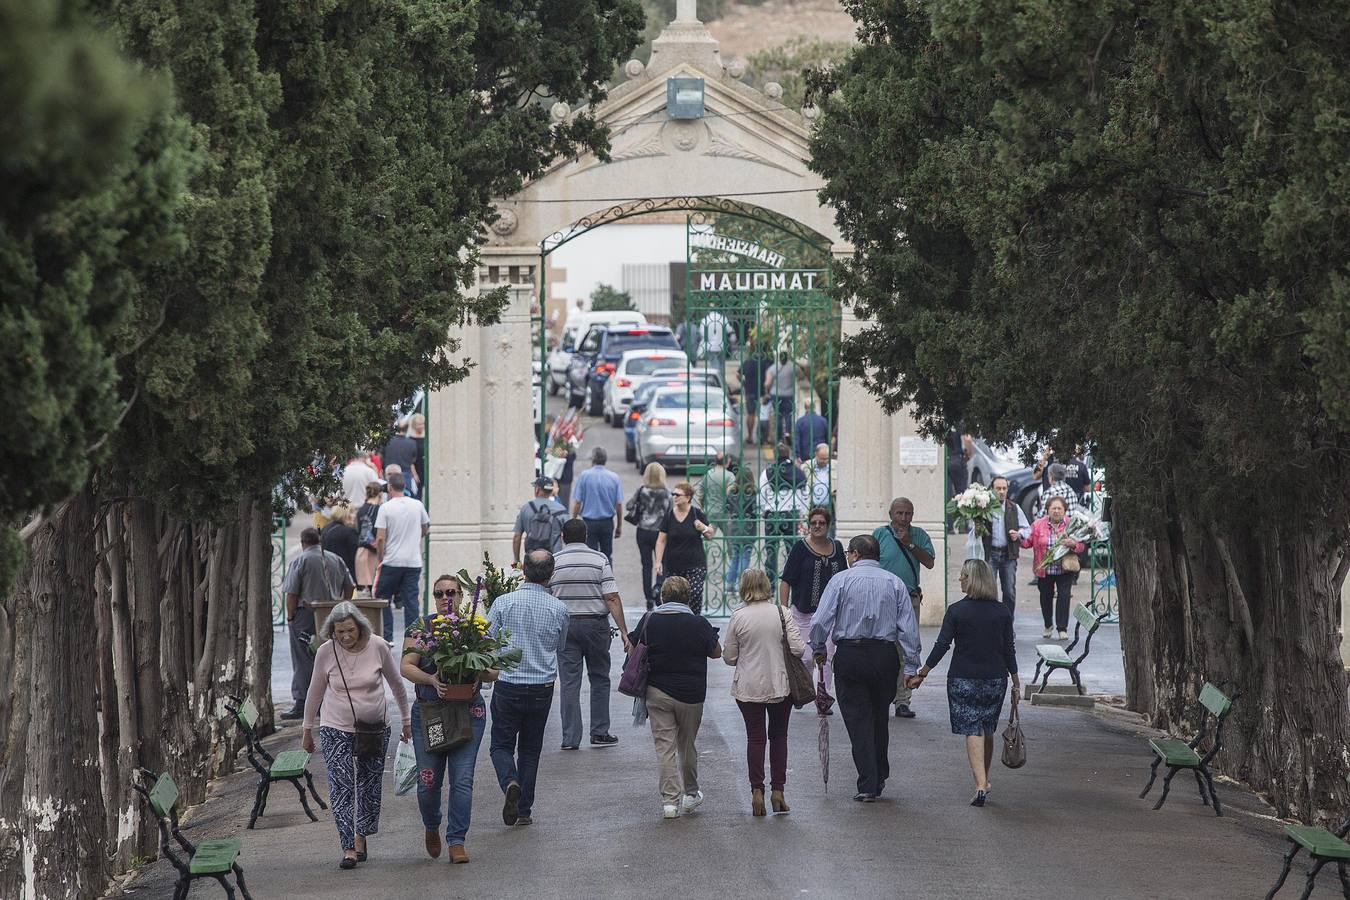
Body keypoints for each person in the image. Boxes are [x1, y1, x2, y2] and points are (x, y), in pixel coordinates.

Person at [809, 535, 921, 802]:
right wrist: (911, 666)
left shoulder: (841, 580)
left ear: (856, 554)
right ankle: (878, 773)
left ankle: (869, 781)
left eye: (849, 553)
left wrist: (819, 647)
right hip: (884, 656)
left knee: (858, 719)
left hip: (851, 655)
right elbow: (908, 628)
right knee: (879, 716)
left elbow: (820, 621)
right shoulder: (895, 582)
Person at [301, 602, 410, 869]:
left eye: (350, 630)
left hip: (374, 728)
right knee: (342, 786)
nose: (346, 636)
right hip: (335, 727)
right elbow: (315, 692)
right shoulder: (326, 652)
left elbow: (397, 684)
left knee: (369, 785)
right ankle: (348, 846)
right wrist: (306, 729)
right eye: (340, 632)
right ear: (332, 631)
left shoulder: (378, 646)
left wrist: (406, 720)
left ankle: (361, 836)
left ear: (360, 627)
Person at [909, 559, 1020, 807]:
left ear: (972, 580)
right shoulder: (1002, 611)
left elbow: (942, 645)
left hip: (963, 678)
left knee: (972, 728)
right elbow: (1008, 649)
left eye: (963, 575)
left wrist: (923, 673)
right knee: (987, 727)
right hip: (995, 679)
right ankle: (985, 780)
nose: (959, 579)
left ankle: (980, 785)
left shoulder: (956, 611)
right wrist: (1015, 681)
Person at [400, 576, 495, 863]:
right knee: (428, 782)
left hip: (468, 713)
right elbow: (406, 666)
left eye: (451, 592)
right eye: (439, 593)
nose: (445, 598)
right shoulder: (421, 627)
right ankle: (432, 825)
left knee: (462, 779)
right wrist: (431, 678)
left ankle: (457, 840)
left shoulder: (475, 628)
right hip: (431, 716)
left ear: (462, 596)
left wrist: (477, 671)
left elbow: (494, 671)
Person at [486, 550, 570, 827]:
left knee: (501, 745)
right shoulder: (559, 609)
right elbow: (560, 646)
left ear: (523, 570)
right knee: (530, 750)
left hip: (509, 684)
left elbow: (487, 640)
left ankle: (510, 781)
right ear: (551, 574)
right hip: (541, 687)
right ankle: (524, 810)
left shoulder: (503, 602)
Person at [628, 576, 723, 819]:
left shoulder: (650, 620)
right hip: (691, 694)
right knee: (687, 745)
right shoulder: (698, 623)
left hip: (657, 692)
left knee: (665, 747)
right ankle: (690, 794)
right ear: (687, 598)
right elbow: (716, 653)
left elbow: (632, 647)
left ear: (662, 597)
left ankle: (670, 803)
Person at [724, 569, 805, 816]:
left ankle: (756, 791)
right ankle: (778, 792)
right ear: (767, 586)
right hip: (780, 685)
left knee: (755, 738)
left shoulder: (738, 617)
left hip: (748, 687)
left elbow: (729, 657)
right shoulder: (782, 613)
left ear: (743, 588)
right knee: (779, 737)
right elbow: (798, 649)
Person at [550, 519, 631, 750]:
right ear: (586, 536)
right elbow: (611, 597)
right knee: (600, 678)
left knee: (569, 683)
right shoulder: (599, 559)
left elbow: (547, 595)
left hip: (566, 627)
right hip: (596, 627)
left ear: (563, 536)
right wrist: (624, 631)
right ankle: (599, 732)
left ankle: (570, 738)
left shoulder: (554, 562)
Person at [282, 527, 355, 720]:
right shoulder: (336, 559)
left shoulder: (301, 560)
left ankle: (303, 702)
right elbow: (350, 586)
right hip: (332, 615)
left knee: (304, 658)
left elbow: (292, 594)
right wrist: (342, 605)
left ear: (302, 542)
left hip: (306, 615)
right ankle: (330, 700)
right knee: (332, 657)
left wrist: (290, 618)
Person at [873, 497, 935, 718]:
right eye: (899, 513)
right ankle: (882, 696)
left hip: (909, 598)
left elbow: (929, 562)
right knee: (882, 648)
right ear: (891, 514)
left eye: (907, 513)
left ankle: (903, 700)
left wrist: (910, 543)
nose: (903, 517)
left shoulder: (919, 535)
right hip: (883, 599)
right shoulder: (880, 534)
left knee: (907, 649)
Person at [778, 507, 847, 692]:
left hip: (830, 614)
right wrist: (784, 611)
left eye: (821, 523)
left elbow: (844, 578)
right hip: (803, 613)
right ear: (809, 525)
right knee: (806, 657)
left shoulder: (837, 547)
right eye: (813, 523)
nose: (817, 526)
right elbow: (786, 581)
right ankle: (803, 691)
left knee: (826, 658)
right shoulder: (800, 548)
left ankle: (822, 697)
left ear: (828, 525)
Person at [374, 472, 429, 642]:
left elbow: (380, 537)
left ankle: (387, 637)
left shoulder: (385, 508)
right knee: (411, 601)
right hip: (413, 561)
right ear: (404, 486)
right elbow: (425, 528)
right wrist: (415, 539)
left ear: (389, 487)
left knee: (383, 598)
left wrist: (380, 557)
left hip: (392, 561)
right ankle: (413, 639)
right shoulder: (418, 505)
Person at [1023, 495, 1086, 639]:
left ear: (1064, 510)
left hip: (1065, 568)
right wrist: (1017, 538)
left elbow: (1082, 546)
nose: (1056, 511)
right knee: (1045, 597)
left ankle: (1062, 628)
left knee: (1064, 596)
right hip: (1045, 569)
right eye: (1053, 508)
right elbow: (1028, 542)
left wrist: (1073, 544)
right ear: (1047, 510)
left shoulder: (1072, 524)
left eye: (1059, 508)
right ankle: (1048, 625)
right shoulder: (1038, 525)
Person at [654, 482, 714, 614]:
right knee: (674, 596)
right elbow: (661, 540)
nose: (674, 497)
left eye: (678, 495)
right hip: (674, 565)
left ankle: (694, 619)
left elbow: (710, 534)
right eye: (673, 494)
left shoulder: (696, 513)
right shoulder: (669, 516)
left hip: (695, 564)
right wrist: (658, 562)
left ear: (688, 497)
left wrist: (702, 527)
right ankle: (677, 620)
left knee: (695, 594)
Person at [979, 475, 1031, 617]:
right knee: (989, 592)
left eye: (1004, 488)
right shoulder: (984, 508)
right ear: (992, 490)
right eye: (998, 488)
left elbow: (1027, 529)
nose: (1001, 492)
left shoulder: (1014, 507)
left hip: (1008, 555)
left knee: (1009, 591)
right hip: (990, 554)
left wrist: (1018, 534)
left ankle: (1007, 622)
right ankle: (991, 621)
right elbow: (975, 530)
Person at [759, 443, 810, 583]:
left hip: (772, 515)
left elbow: (762, 494)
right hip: (791, 515)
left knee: (771, 551)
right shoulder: (798, 472)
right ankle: (792, 581)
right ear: (789, 455)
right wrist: (802, 513)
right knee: (792, 551)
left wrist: (763, 510)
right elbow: (805, 495)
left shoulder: (767, 472)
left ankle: (771, 583)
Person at [625, 463, 672, 607]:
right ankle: (658, 587)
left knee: (646, 564)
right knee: (662, 562)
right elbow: (670, 511)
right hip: (660, 532)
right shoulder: (666, 493)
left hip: (643, 530)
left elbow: (629, 506)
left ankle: (648, 597)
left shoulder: (642, 490)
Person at [570, 446, 624, 563]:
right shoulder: (614, 477)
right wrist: (619, 525)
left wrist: (573, 520)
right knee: (607, 555)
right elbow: (619, 504)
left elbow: (578, 502)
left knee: (590, 556)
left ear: (593, 459)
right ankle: (607, 574)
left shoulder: (584, 476)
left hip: (589, 522)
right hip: (607, 522)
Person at [512, 476, 568, 566]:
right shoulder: (561, 509)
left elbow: (517, 537)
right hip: (554, 558)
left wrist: (517, 560)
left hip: (532, 559)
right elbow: (569, 535)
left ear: (537, 489)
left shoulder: (526, 508)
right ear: (551, 491)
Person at [723, 467, 759, 595]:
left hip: (735, 528)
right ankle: (741, 585)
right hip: (749, 528)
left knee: (735, 556)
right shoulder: (753, 494)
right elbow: (756, 511)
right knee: (745, 557)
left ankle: (729, 584)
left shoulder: (732, 493)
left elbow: (726, 509)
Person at [762, 351, 799, 443]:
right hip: (789, 395)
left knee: (778, 416)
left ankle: (779, 439)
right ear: (787, 357)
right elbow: (801, 376)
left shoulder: (773, 368)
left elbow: (767, 383)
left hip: (776, 395)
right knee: (788, 415)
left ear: (779, 358)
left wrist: (766, 391)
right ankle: (787, 433)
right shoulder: (793, 367)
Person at [354, 481, 383, 594]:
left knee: (365, 590)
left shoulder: (361, 509)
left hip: (361, 550)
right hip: (374, 552)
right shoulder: (378, 509)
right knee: (375, 590)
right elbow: (379, 532)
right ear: (379, 493)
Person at [695, 451, 734, 534]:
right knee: (730, 537)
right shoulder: (730, 476)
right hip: (724, 512)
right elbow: (730, 495)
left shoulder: (708, 474)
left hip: (709, 511)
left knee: (708, 536)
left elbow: (700, 494)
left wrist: (703, 507)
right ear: (727, 461)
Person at [322, 504, 359, 584]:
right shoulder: (349, 532)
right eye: (351, 512)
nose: (354, 515)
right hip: (346, 574)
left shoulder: (325, 528)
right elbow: (355, 556)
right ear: (345, 514)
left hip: (328, 572)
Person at [739, 348, 769, 446]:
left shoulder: (748, 362)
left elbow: (738, 374)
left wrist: (744, 383)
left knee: (750, 414)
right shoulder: (767, 362)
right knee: (764, 415)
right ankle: (763, 438)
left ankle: (750, 436)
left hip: (750, 391)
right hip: (763, 392)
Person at [384, 421, 421, 499]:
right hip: (405, 475)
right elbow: (413, 460)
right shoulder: (412, 443)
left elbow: (381, 456)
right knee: (407, 497)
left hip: (389, 474)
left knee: (390, 497)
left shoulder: (387, 441)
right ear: (407, 429)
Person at [804, 442, 834, 515]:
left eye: (826, 459)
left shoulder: (835, 465)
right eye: (822, 459)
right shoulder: (807, 466)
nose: (824, 461)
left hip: (830, 507)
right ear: (816, 455)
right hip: (812, 507)